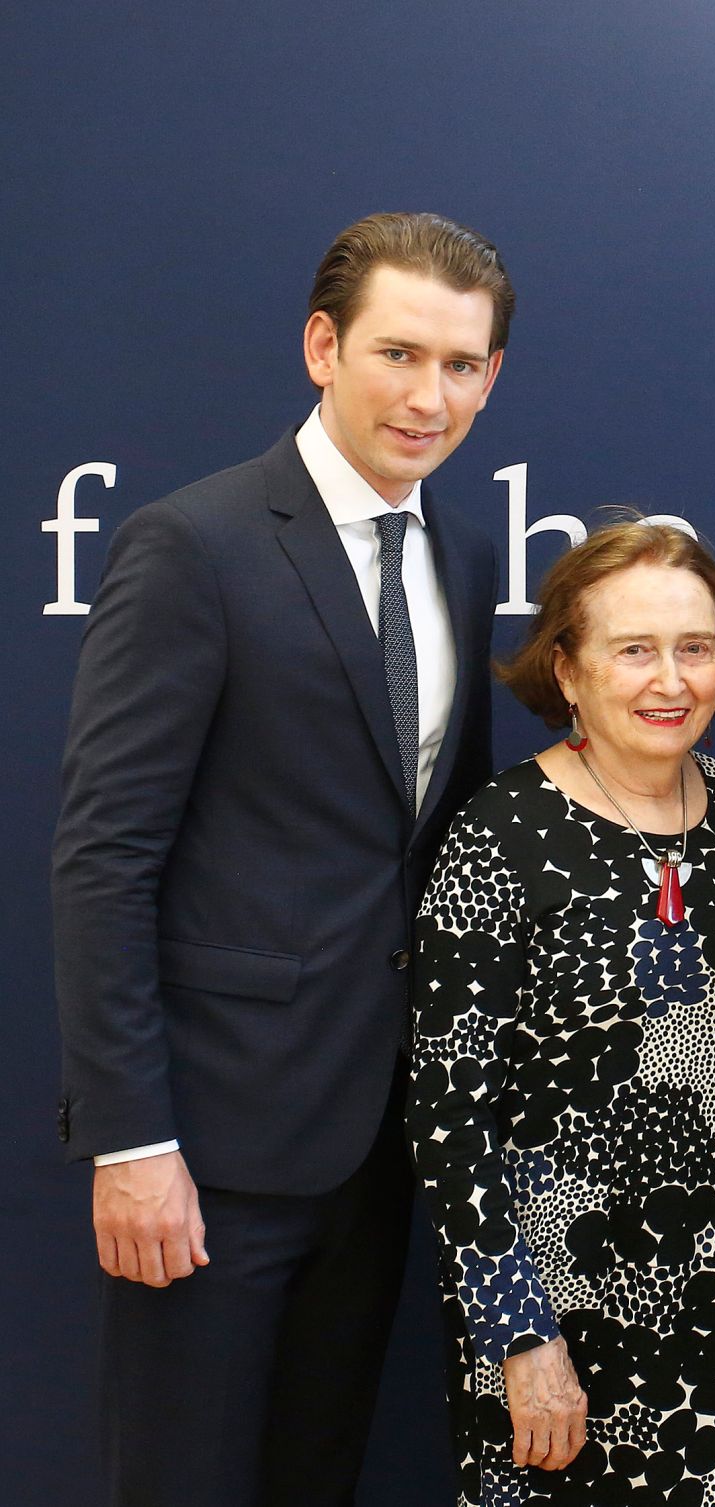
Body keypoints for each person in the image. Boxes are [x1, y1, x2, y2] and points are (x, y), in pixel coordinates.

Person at [51, 211, 512, 1506]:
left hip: (377, 1146)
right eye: (397, 354)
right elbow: (104, 856)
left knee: (316, 1477)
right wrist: (131, 1140)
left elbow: (443, 846)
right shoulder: (193, 545)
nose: (428, 397)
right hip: (209, 1153)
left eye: (461, 365)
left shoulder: (464, 554)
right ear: (322, 347)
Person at [409, 521, 715, 1506]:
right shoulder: (498, 834)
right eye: (634, 649)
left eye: (694, 647)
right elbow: (449, 1115)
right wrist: (517, 1334)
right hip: (554, 1333)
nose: (670, 680)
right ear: (567, 669)